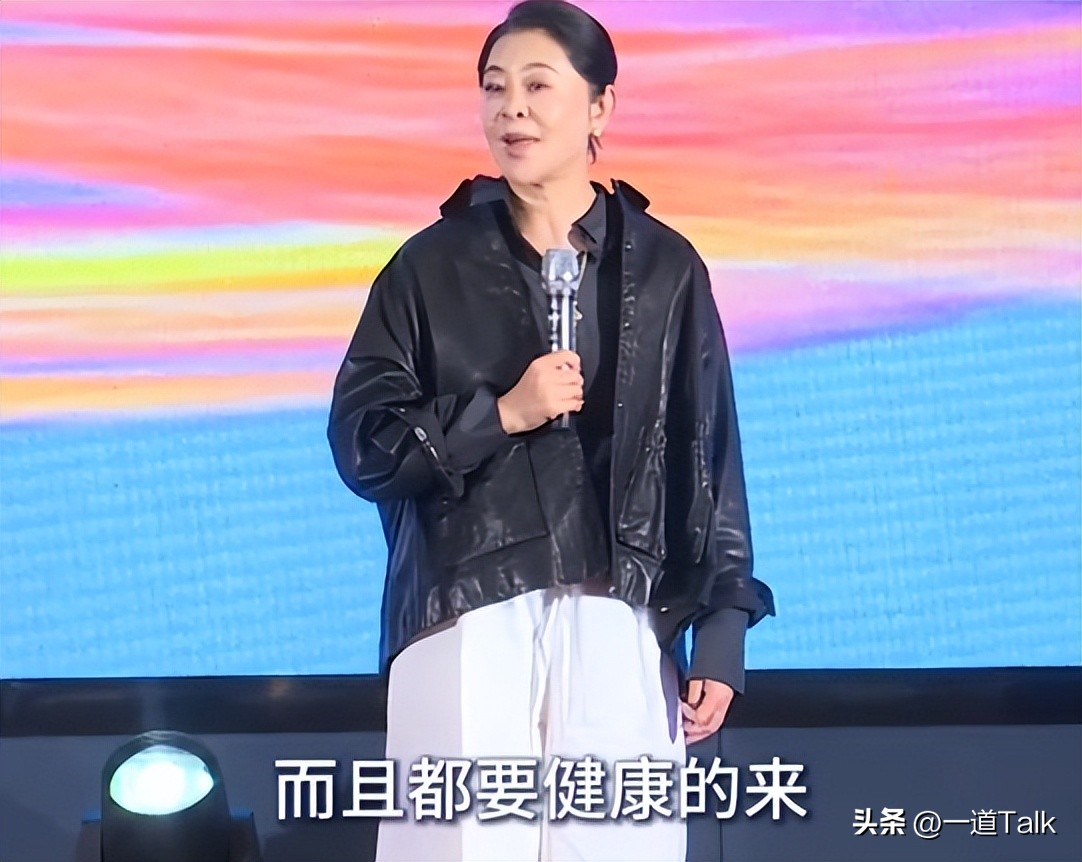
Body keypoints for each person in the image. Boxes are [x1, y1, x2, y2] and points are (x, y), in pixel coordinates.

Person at [327, 1, 775, 859]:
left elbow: (709, 454)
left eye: (538, 87)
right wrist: (499, 415)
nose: (512, 110)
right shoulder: (429, 265)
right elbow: (364, 444)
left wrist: (720, 629)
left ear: (600, 107)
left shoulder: (666, 267)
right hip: (464, 601)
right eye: (494, 89)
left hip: (621, 608)